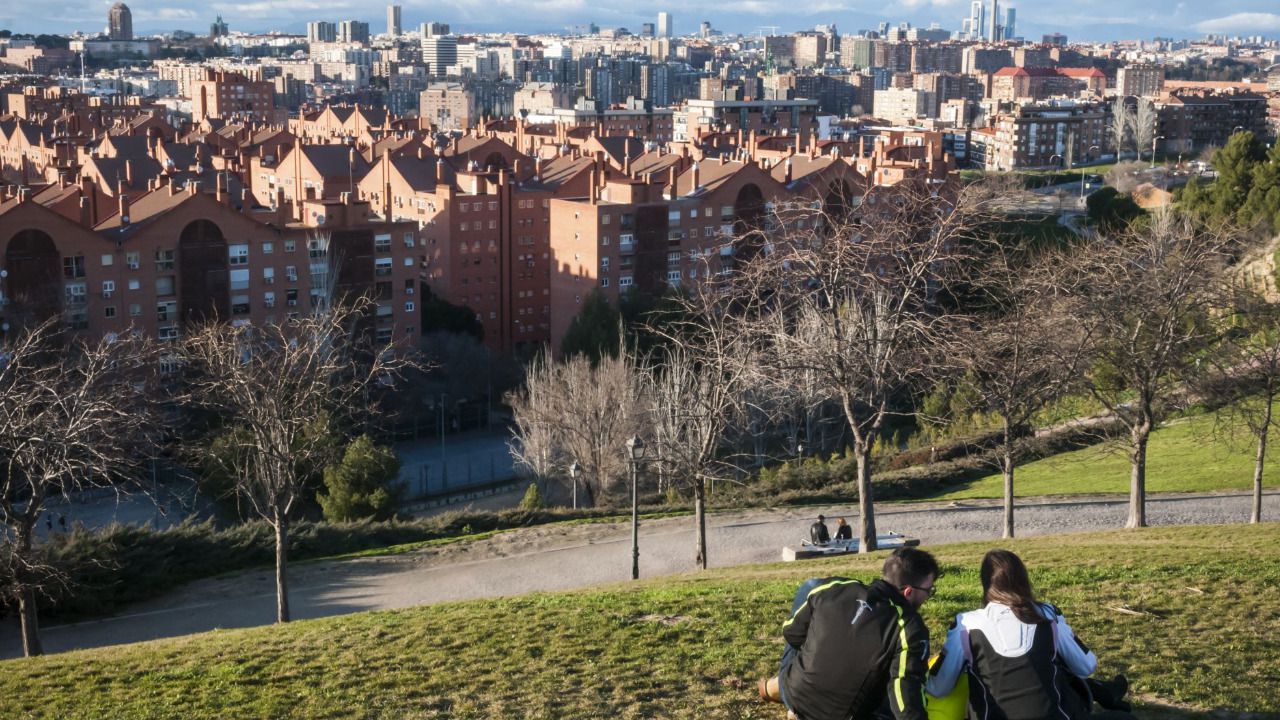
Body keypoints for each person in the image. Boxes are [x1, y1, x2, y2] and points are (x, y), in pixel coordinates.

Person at [926, 549, 1134, 720]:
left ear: (985, 583)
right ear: (1023, 579)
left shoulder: (966, 624)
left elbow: (938, 687)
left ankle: (1103, 691)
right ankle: (1104, 692)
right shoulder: (1046, 615)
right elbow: (1086, 665)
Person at [758, 547, 938, 720]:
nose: (928, 596)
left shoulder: (834, 587)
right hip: (841, 714)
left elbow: (791, 634)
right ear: (908, 591)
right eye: (929, 591)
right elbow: (906, 700)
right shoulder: (910, 627)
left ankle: (782, 690)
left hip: (794, 694)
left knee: (810, 587)